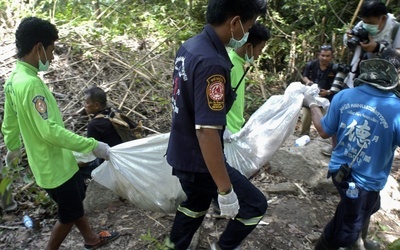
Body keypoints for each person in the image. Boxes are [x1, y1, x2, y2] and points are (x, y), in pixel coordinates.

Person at [1, 17, 119, 250]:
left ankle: (91, 239)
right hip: (55, 164)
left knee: (73, 204)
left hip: (46, 162)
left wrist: (12, 147)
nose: (52, 57)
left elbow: (9, 121)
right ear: (38, 48)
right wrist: (91, 145)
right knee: (68, 214)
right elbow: (49, 131)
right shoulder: (31, 85)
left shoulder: (15, 79)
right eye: (51, 50)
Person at [166, 0, 268, 249]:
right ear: (235, 23)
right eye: (249, 25)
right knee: (255, 206)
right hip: (199, 160)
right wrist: (225, 189)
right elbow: (207, 131)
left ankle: (172, 245)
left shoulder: (190, 46)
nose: (247, 34)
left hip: (181, 151)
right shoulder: (213, 63)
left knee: (196, 204)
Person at [303, 48, 400, 250]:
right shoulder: (397, 109)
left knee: (369, 207)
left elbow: (324, 131)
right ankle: (343, 242)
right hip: (364, 182)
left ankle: (358, 240)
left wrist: (312, 105)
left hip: (340, 171)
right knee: (344, 230)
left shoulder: (344, 96)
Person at [226, 22, 270, 134]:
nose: (259, 54)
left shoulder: (239, 64)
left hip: (235, 130)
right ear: (249, 46)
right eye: (260, 49)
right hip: (228, 132)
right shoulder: (230, 66)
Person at [78, 87, 123, 184]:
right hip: (123, 155)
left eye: (86, 102)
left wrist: (78, 164)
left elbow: (91, 154)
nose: (84, 105)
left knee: (76, 170)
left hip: (112, 163)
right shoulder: (115, 112)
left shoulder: (94, 125)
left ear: (96, 105)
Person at [300, 45, 335, 136]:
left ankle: (321, 139)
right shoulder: (312, 64)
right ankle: (303, 135)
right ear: (319, 55)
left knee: (324, 120)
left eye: (327, 56)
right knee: (306, 115)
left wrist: (328, 92)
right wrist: (309, 82)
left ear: (331, 57)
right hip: (310, 96)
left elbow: (337, 86)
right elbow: (304, 76)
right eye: (323, 55)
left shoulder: (334, 68)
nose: (325, 58)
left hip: (325, 99)